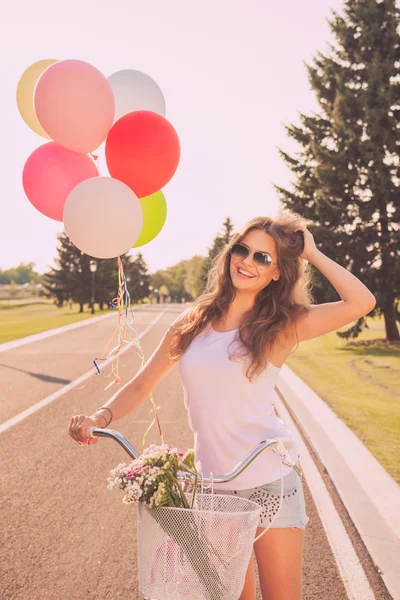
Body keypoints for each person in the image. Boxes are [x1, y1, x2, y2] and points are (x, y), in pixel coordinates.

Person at [69, 212, 376, 600]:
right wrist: (101, 416)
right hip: (212, 489)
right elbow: (142, 384)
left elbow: (361, 301)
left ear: (278, 272)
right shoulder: (192, 322)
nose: (247, 262)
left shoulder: (281, 325)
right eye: (242, 250)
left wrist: (310, 253)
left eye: (263, 258)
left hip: (270, 483)